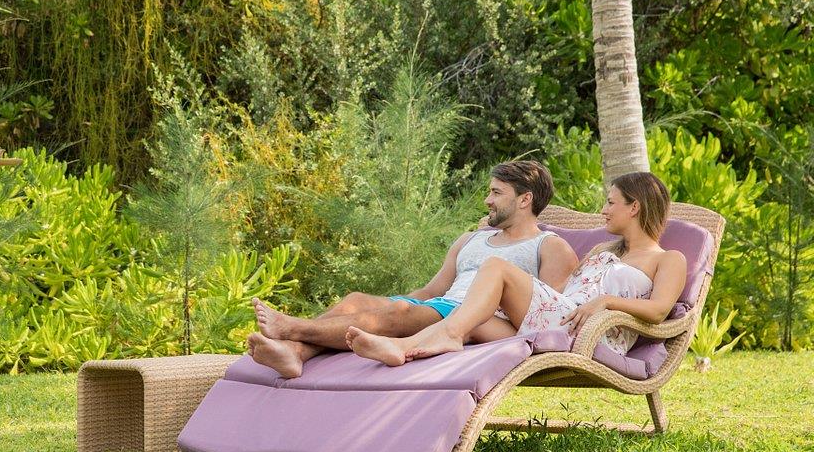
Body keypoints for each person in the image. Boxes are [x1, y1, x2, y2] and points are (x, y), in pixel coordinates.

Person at [249, 160, 579, 378]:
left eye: (496, 192)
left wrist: (405, 313)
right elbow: (432, 291)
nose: (487, 200)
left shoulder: (550, 246)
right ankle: (295, 353)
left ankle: (293, 329)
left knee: (401, 313)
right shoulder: (470, 239)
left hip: (473, 318)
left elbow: (542, 311)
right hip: (439, 305)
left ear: (524, 199)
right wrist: (391, 305)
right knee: (357, 301)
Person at [347, 171, 687, 365]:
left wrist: (607, 302)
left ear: (634, 207)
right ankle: (404, 347)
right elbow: (565, 290)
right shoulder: (603, 250)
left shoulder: (668, 258)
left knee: (496, 267)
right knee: (473, 316)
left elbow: (659, 311)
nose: (603, 210)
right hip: (559, 323)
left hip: (593, 336)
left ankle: (441, 339)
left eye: (611, 203)